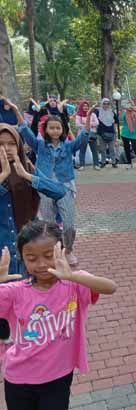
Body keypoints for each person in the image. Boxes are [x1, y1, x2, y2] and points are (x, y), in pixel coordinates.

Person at [0, 221, 117, 410]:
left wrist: (72, 276)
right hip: (19, 378)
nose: (42, 264)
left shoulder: (74, 284)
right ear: (22, 258)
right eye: (31, 258)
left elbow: (110, 287)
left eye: (49, 256)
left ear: (62, 251)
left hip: (58, 377)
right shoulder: (15, 292)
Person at [0, 123, 66, 344]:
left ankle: (30, 338)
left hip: (27, 248)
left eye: (11, 143)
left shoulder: (26, 167)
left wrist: (26, 175)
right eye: (1, 144)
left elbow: (59, 191)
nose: (7, 148)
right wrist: (3, 177)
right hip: (2, 249)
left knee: (29, 297)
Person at [11, 98, 87, 266]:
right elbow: (25, 131)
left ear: (62, 130)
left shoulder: (68, 147)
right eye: (51, 128)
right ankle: (55, 252)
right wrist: (17, 110)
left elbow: (83, 138)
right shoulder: (40, 145)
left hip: (65, 186)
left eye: (57, 128)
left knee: (69, 225)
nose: (54, 131)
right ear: (46, 129)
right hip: (44, 187)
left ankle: (68, 249)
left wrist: (87, 119)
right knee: (50, 224)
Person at [93, 98, 119, 168]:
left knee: (112, 149)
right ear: (102, 104)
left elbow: (115, 122)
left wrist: (115, 132)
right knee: (102, 149)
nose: (106, 105)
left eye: (108, 103)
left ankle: (114, 162)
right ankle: (103, 162)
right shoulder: (98, 112)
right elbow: (93, 118)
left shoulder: (112, 112)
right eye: (104, 103)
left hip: (111, 133)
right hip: (101, 133)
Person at [75, 101, 99, 171]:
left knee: (94, 149)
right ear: (81, 107)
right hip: (83, 134)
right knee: (82, 149)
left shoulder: (93, 114)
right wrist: (89, 125)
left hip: (92, 133)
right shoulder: (78, 115)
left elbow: (97, 123)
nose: (85, 107)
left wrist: (86, 124)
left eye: (87, 106)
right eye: (84, 106)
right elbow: (77, 125)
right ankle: (82, 165)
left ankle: (96, 164)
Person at [120, 102, 136, 168]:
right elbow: (122, 117)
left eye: (131, 105)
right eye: (129, 105)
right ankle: (129, 163)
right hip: (125, 133)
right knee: (126, 148)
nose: (130, 106)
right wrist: (127, 110)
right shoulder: (125, 113)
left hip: (134, 134)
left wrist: (135, 110)